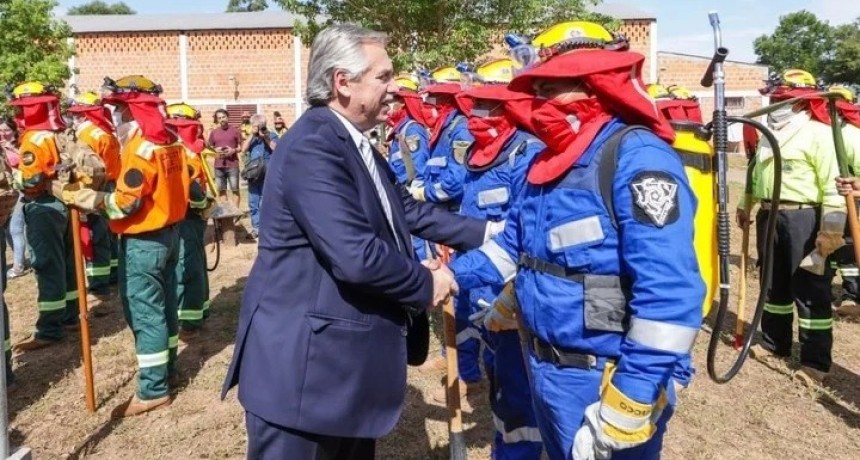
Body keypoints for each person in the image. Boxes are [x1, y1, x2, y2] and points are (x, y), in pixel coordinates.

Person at [221, 24, 494, 459]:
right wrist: (426, 284)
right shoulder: (313, 146)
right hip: (306, 380)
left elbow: (405, 211)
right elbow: (356, 256)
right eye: (383, 77)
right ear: (342, 82)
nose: (394, 89)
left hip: (340, 377)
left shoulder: (352, 141)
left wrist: (493, 233)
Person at [450, 21, 704, 459]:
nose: (539, 102)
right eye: (538, 89)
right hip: (543, 370)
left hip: (604, 379)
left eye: (550, 88)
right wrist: (440, 276)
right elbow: (512, 248)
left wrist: (627, 404)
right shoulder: (548, 160)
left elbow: (671, 295)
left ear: (593, 84)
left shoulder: (636, 157)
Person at [62, 75, 194, 417]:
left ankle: (152, 390)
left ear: (131, 110)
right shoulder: (172, 143)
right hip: (170, 235)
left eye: (119, 109)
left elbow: (125, 204)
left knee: (145, 312)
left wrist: (87, 197)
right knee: (165, 308)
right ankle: (168, 371)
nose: (115, 117)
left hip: (144, 241)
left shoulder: (140, 150)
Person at [453, 58, 545, 458]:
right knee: (502, 386)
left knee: (522, 399)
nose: (478, 116)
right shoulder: (478, 149)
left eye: (489, 107)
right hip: (481, 278)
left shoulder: (527, 154)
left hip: (513, 292)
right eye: (475, 106)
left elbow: (520, 240)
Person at [738, 69, 845, 386]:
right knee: (773, 284)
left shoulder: (819, 135)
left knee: (810, 288)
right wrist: (748, 204)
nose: (775, 104)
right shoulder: (769, 134)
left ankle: (815, 360)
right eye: (774, 98)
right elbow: (755, 173)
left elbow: (834, 188)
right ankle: (774, 343)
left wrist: (831, 231)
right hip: (770, 216)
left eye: (783, 100)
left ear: (801, 103)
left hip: (805, 219)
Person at [411, 65, 486, 394]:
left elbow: (454, 181)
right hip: (438, 219)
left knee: (463, 293)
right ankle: (454, 356)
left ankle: (467, 369)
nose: (431, 106)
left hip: (453, 220)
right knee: (455, 294)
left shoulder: (459, 128)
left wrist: (423, 195)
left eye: (437, 100)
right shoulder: (442, 126)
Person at [8, 82, 80, 352]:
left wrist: (16, 179)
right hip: (63, 203)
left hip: (43, 206)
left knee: (47, 265)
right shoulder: (57, 132)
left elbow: (32, 179)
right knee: (66, 263)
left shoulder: (33, 140)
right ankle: (70, 316)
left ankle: (50, 328)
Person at [165, 102, 214, 339]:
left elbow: (192, 187)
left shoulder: (184, 151)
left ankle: (190, 321)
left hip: (187, 216)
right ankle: (199, 310)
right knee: (194, 262)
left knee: (187, 266)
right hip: (191, 215)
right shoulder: (192, 148)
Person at [66, 91, 122, 297]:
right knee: (110, 233)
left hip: (95, 187)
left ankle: (99, 283)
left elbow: (87, 167)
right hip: (111, 185)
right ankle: (114, 274)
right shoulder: (105, 132)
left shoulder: (87, 135)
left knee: (97, 237)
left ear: (84, 114)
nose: (74, 118)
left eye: (76, 114)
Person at [827, 85, 860, 318]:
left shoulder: (848, 134)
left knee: (847, 248)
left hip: (848, 201)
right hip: (834, 198)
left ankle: (851, 294)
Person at [239, 113, 277, 239]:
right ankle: (256, 228)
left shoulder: (271, 135)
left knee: (267, 201)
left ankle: (268, 227)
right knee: (253, 201)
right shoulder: (252, 138)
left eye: (261, 126)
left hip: (268, 173)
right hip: (254, 174)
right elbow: (243, 150)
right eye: (256, 126)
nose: (260, 128)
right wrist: (251, 135)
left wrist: (266, 138)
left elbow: (277, 148)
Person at [0, 118, 30, 279]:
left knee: (15, 229)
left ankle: (18, 267)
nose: (3, 133)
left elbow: (25, 163)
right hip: (6, 194)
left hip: (19, 191)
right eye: (1, 130)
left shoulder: (21, 145)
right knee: (7, 230)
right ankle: (21, 261)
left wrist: (10, 150)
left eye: (6, 130)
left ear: (14, 130)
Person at [208, 108, 242, 208]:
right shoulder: (214, 132)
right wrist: (215, 150)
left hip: (233, 165)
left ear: (227, 117)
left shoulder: (235, 131)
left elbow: (241, 147)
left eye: (223, 117)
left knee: (235, 190)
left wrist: (233, 150)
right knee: (221, 191)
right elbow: (209, 148)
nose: (222, 119)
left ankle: (235, 214)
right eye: (219, 118)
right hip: (218, 166)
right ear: (217, 120)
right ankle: (227, 214)